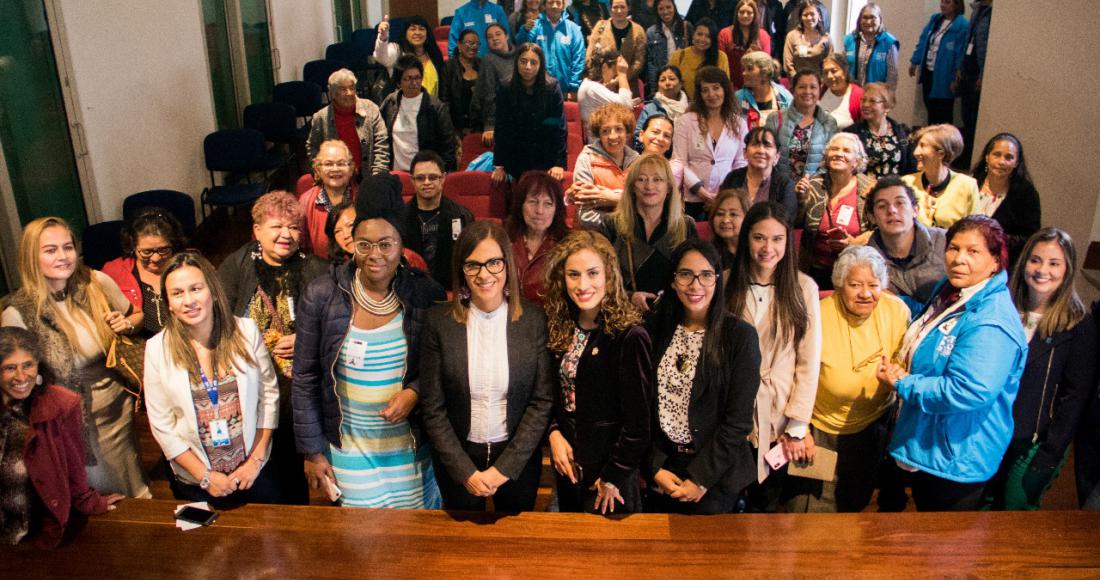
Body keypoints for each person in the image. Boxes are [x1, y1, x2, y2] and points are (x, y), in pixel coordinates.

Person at [293, 175, 445, 508]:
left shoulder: (424, 294)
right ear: (352, 244)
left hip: (409, 447)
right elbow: (304, 377)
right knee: (364, 542)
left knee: (414, 536)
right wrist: (312, 450)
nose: (374, 254)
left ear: (401, 246)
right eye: (364, 244)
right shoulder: (321, 295)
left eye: (385, 244)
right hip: (350, 448)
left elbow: (441, 366)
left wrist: (415, 391)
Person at [880, 216, 1027, 512]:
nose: (959, 259)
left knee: (941, 550)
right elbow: (929, 325)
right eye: (954, 248)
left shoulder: (991, 320)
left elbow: (967, 390)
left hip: (956, 457)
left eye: (973, 252)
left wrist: (903, 383)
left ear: (996, 261)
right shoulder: (952, 290)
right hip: (930, 441)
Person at [2, 217, 150, 499]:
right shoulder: (19, 313)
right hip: (70, 423)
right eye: (50, 250)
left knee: (132, 483)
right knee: (94, 493)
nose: (62, 256)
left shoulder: (95, 282)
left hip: (118, 410)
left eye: (67, 247)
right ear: (31, 257)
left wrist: (127, 324)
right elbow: (15, 386)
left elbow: (137, 317)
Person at [418, 221, 554, 511]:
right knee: (463, 546)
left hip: (516, 461)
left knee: (514, 546)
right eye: (473, 265)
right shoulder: (439, 322)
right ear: (461, 271)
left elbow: (541, 401)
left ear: (507, 264)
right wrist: (464, 471)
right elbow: (433, 407)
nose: (484, 274)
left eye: (494, 263)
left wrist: (504, 468)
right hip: (459, 460)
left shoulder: (533, 321)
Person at [144, 252, 283, 507]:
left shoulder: (246, 331)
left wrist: (255, 461)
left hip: (253, 473)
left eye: (196, 289)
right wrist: (205, 476)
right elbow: (162, 424)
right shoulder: (156, 349)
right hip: (197, 483)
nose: (188, 300)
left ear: (213, 291)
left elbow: (269, 397)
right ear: (169, 303)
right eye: (177, 293)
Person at [216, 192, 326, 504]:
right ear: (257, 231)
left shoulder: (316, 268)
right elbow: (221, 320)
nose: (286, 235)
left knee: (292, 468)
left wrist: (307, 339)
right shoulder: (237, 265)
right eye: (276, 226)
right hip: (249, 383)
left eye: (293, 227)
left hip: (297, 389)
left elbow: (335, 327)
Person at [784, 246, 909, 513]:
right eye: (855, 285)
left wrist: (896, 373)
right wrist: (799, 427)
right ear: (840, 284)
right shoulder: (817, 314)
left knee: (853, 500)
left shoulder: (896, 311)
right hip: (820, 427)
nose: (865, 294)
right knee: (810, 506)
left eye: (873, 285)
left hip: (872, 425)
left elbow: (901, 357)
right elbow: (794, 373)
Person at [980, 229, 1098, 510]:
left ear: (1067, 269)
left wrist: (1050, 452)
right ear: (1024, 265)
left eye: (1054, 263)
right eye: (1036, 260)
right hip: (989, 433)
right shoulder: (1002, 308)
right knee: (981, 509)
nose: (1042, 270)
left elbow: (1075, 397)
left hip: (1032, 444)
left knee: (1015, 512)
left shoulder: (1078, 324)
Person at [645, 240, 760, 513]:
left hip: (715, 474)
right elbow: (639, 406)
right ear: (673, 281)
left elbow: (738, 421)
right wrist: (654, 466)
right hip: (664, 466)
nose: (695, 285)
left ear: (717, 280)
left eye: (706, 275)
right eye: (685, 274)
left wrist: (700, 478)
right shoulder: (653, 328)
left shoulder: (740, 336)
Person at [543, 230, 651, 514]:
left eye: (593, 273)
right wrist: (554, 433)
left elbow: (639, 425)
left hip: (610, 480)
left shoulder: (629, 336)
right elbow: (556, 397)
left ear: (609, 276)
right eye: (573, 274)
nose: (583, 284)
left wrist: (613, 476)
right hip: (569, 470)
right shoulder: (561, 326)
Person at [725, 202, 820, 511]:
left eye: (777, 239)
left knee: (766, 506)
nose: (768, 247)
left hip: (779, 417)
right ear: (746, 239)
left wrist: (796, 426)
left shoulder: (803, 287)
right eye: (759, 238)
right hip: (732, 414)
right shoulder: (725, 283)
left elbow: (808, 360)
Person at [0, 327, 124, 547]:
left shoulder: (61, 405)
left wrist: (89, 500)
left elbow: (74, 465)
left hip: (34, 535)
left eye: (28, 365)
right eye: (10, 368)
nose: (21, 376)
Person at [581, 153, 697, 312]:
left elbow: (694, 278)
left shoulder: (686, 226)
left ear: (669, 187)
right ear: (632, 187)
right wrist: (629, 297)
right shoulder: (611, 224)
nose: (649, 186)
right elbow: (598, 278)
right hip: (624, 315)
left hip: (674, 315)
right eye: (641, 179)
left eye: (657, 180)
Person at [798, 133, 876, 289]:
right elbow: (796, 224)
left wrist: (852, 244)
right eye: (834, 149)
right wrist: (801, 201)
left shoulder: (870, 189)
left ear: (857, 161)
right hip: (814, 271)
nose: (839, 154)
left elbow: (879, 231)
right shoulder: (813, 185)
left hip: (853, 273)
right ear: (827, 156)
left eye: (846, 150)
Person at [670, 65, 748, 220]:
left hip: (727, 198)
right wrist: (702, 192)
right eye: (705, 90)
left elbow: (740, 163)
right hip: (693, 199)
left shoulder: (738, 123)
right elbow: (679, 162)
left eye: (716, 88)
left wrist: (723, 193)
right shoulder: (686, 121)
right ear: (699, 94)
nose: (711, 94)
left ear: (725, 89)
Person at [864, 176, 947, 313]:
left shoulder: (946, 242)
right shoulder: (865, 260)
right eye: (882, 206)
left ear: (915, 210)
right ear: (872, 217)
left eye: (900, 203)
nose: (892, 210)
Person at [101, 207, 186, 338]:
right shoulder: (114, 272)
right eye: (147, 252)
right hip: (138, 350)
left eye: (164, 250)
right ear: (132, 247)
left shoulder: (188, 267)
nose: (155, 258)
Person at [492, 43, 568, 183]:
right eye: (523, 61)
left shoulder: (552, 88)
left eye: (533, 62)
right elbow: (501, 127)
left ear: (540, 65)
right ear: (516, 62)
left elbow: (559, 129)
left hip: (545, 154)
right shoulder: (506, 87)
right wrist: (499, 165)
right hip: (516, 155)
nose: (528, 67)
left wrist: (559, 164)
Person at [402, 150, 475, 290]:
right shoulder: (399, 217)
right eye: (420, 178)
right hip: (411, 293)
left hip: (449, 293)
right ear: (412, 180)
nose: (427, 182)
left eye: (433, 177)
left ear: (443, 178)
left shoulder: (463, 216)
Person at [972, 133, 1041, 268]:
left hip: (1002, 265)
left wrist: (995, 239)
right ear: (987, 157)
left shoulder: (1026, 193)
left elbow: (1030, 238)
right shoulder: (971, 183)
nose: (1001, 162)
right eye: (996, 154)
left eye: (1009, 157)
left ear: (1016, 163)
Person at [380, 55, 458, 173]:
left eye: (417, 78)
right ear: (398, 82)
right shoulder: (390, 102)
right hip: (396, 173)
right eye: (408, 78)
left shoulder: (435, 106)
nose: (414, 83)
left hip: (424, 174)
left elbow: (448, 145)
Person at [307, 68, 391, 177]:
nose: (349, 93)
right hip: (335, 177)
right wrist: (321, 172)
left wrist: (377, 175)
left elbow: (382, 144)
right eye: (343, 89)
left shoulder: (371, 109)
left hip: (369, 175)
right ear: (332, 93)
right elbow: (312, 147)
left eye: (352, 88)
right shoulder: (320, 117)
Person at [765, 69, 837, 184]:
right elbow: (766, 155)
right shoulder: (775, 119)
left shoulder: (829, 122)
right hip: (780, 188)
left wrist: (813, 184)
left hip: (815, 190)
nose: (807, 91)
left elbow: (830, 161)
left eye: (813, 87)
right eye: (802, 87)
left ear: (819, 90)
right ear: (793, 90)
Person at [902, 124, 980, 229]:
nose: (916, 152)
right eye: (916, 146)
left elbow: (975, 228)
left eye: (923, 146)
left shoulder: (967, 185)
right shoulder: (906, 183)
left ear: (941, 153)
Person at [507, 171, 568, 303]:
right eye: (533, 202)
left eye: (548, 204)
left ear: (557, 209)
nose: (540, 211)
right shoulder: (504, 240)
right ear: (520, 205)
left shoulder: (567, 245)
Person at [569, 103, 639, 215]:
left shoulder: (638, 161)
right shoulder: (586, 159)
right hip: (595, 232)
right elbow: (585, 215)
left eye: (619, 129)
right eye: (605, 131)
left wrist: (610, 198)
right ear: (599, 135)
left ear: (627, 132)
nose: (613, 136)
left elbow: (645, 203)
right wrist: (628, 203)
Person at [908, 0, 968, 127]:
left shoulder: (962, 25)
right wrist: (915, 61)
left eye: (947, 2)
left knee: (943, 112)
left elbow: (960, 53)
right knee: (930, 108)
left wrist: (955, 77)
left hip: (945, 76)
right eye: (941, 2)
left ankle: (944, 142)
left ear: (956, 5)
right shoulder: (935, 19)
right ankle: (931, 140)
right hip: (929, 72)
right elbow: (923, 40)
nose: (942, 5)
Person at [720, 126, 797, 218]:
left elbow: (786, 221)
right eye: (755, 144)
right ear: (745, 153)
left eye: (767, 145)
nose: (761, 150)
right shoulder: (732, 178)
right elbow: (723, 214)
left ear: (777, 156)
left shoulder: (785, 184)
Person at [299, 139, 358, 260]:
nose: (335, 169)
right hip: (320, 272)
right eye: (328, 164)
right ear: (318, 170)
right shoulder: (305, 201)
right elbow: (301, 246)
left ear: (351, 169)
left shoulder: (364, 198)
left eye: (341, 163)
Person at [515, 0, 586, 98]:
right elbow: (521, 48)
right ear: (544, 5)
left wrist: (574, 86)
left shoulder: (573, 29)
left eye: (558, 2)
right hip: (537, 88)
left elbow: (578, 59)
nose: (554, 6)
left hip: (565, 90)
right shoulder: (535, 26)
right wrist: (524, 31)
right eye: (550, 2)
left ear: (563, 6)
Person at [844, 83, 916, 179]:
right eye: (863, 100)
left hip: (895, 189)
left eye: (872, 101)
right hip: (864, 190)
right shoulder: (851, 133)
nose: (865, 105)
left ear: (887, 106)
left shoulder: (903, 133)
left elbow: (911, 168)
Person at [585, 0, 647, 97]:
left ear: (628, 8)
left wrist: (619, 79)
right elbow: (590, 54)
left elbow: (638, 62)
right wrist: (603, 79)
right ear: (610, 8)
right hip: (601, 86)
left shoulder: (638, 31)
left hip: (628, 85)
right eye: (615, 7)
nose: (619, 11)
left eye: (622, 7)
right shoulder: (600, 26)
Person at [374, 15, 446, 96]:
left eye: (421, 29)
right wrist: (383, 38)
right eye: (412, 29)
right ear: (405, 33)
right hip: (403, 106)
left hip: (431, 106)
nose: (417, 32)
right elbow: (381, 57)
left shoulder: (434, 54)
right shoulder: (397, 51)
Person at [957, 0, 991, 167]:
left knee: (973, 120)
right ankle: (965, 156)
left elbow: (987, 48)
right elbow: (968, 42)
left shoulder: (992, 13)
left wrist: (983, 75)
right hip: (968, 72)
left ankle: (971, 159)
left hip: (978, 74)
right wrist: (961, 67)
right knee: (966, 116)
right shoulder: (976, 10)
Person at [472, 22, 515, 148]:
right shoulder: (489, 60)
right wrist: (489, 125)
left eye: (498, 34)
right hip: (501, 119)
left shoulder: (519, 55)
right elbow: (489, 94)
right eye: (490, 37)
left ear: (506, 36)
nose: (494, 38)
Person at [668, 18, 728, 101]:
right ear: (693, 35)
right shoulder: (679, 56)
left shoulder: (721, 57)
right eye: (699, 34)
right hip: (685, 106)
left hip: (713, 105)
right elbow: (671, 84)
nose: (702, 39)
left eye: (708, 36)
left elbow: (725, 87)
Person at [577, 50, 634, 136]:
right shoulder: (592, 88)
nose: (615, 77)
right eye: (615, 71)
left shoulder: (589, 85)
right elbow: (626, 106)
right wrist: (622, 74)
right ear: (604, 67)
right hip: (599, 142)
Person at [718, 0, 771, 89]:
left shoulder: (763, 36)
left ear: (755, 15)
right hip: (731, 85)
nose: (745, 15)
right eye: (741, 12)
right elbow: (721, 63)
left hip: (756, 86)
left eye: (749, 13)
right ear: (736, 14)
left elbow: (766, 64)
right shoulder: (725, 34)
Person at [843, 2, 898, 88]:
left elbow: (892, 75)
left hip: (876, 95)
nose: (868, 22)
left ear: (880, 20)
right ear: (859, 20)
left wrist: (888, 95)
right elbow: (844, 67)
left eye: (873, 17)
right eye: (865, 17)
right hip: (853, 91)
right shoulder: (849, 40)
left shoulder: (889, 42)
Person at [644, 0, 691, 98]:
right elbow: (651, 63)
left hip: (685, 83)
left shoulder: (686, 27)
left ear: (674, 7)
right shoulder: (651, 32)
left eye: (668, 7)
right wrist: (654, 89)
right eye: (661, 8)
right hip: (663, 84)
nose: (665, 12)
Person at [440, 29, 483, 136]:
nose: (473, 46)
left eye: (476, 43)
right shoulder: (449, 67)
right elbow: (444, 100)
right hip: (456, 127)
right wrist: (452, 131)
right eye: (469, 43)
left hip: (480, 127)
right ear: (459, 45)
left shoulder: (483, 65)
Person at [635, 65, 689, 150]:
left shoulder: (690, 110)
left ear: (681, 83)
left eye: (672, 79)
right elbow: (637, 135)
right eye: (662, 80)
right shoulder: (649, 109)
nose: (667, 83)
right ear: (658, 85)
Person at [735, 50, 791, 129]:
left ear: (764, 72)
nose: (744, 73)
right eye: (744, 69)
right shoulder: (738, 98)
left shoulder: (784, 96)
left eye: (750, 69)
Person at [709, 187, 753, 272]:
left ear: (747, 217)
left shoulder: (755, 252)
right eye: (720, 214)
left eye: (733, 214)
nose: (725, 220)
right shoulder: (708, 253)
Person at [782, 0, 831, 78]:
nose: (809, 18)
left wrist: (820, 84)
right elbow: (788, 64)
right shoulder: (792, 36)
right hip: (797, 83)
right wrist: (798, 82)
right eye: (805, 15)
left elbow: (830, 63)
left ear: (819, 16)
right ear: (800, 18)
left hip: (819, 84)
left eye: (812, 14)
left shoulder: (826, 38)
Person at [819, 53, 863, 131]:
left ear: (845, 71)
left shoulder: (858, 96)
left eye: (834, 71)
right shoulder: (821, 91)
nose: (829, 76)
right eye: (825, 72)